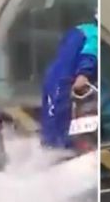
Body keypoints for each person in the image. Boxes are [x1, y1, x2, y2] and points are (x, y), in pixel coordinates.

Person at [41, 17, 99, 149]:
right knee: (60, 116)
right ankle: (60, 148)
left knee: (51, 116)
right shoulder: (94, 33)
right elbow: (90, 53)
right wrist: (84, 74)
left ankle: (50, 147)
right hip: (65, 79)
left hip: (54, 76)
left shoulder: (80, 30)